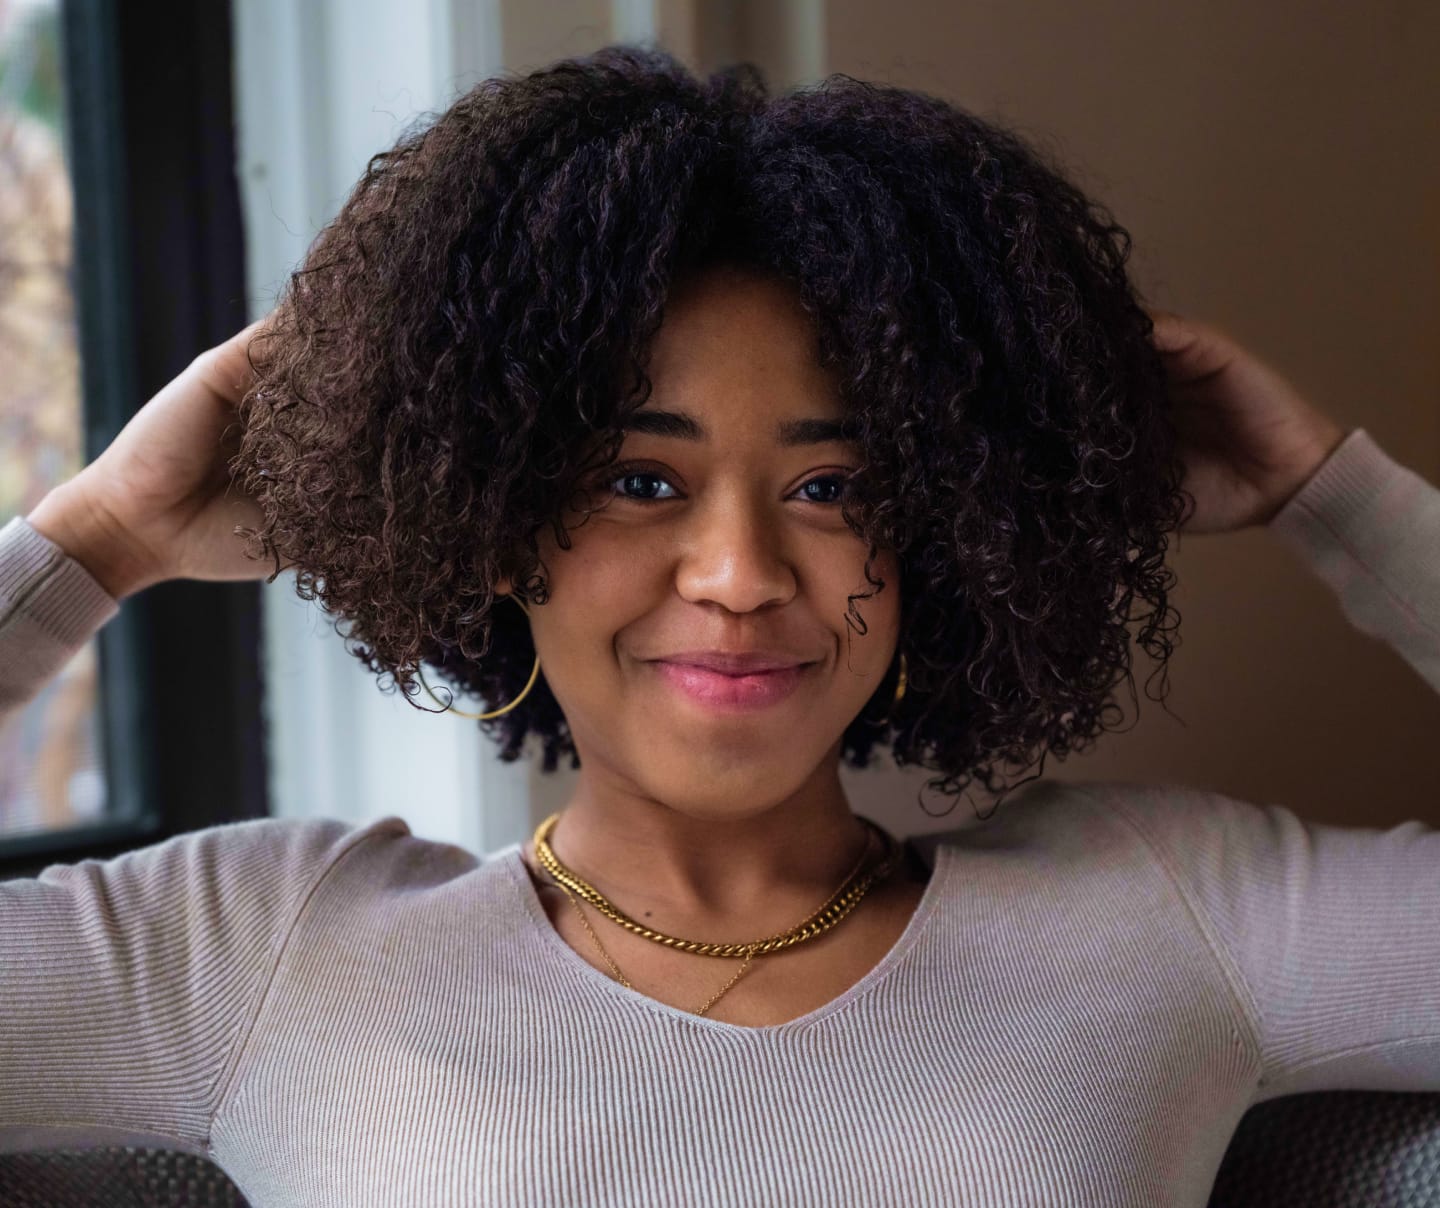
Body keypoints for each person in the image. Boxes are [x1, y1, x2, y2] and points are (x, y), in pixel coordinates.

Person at [1, 43, 1436, 1207]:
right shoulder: (258, 950)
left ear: (946, 524)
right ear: (495, 520)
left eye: (833, 485)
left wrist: (1344, 502)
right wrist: (95, 543)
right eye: (641, 480)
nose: (742, 572)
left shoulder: (1171, 912)